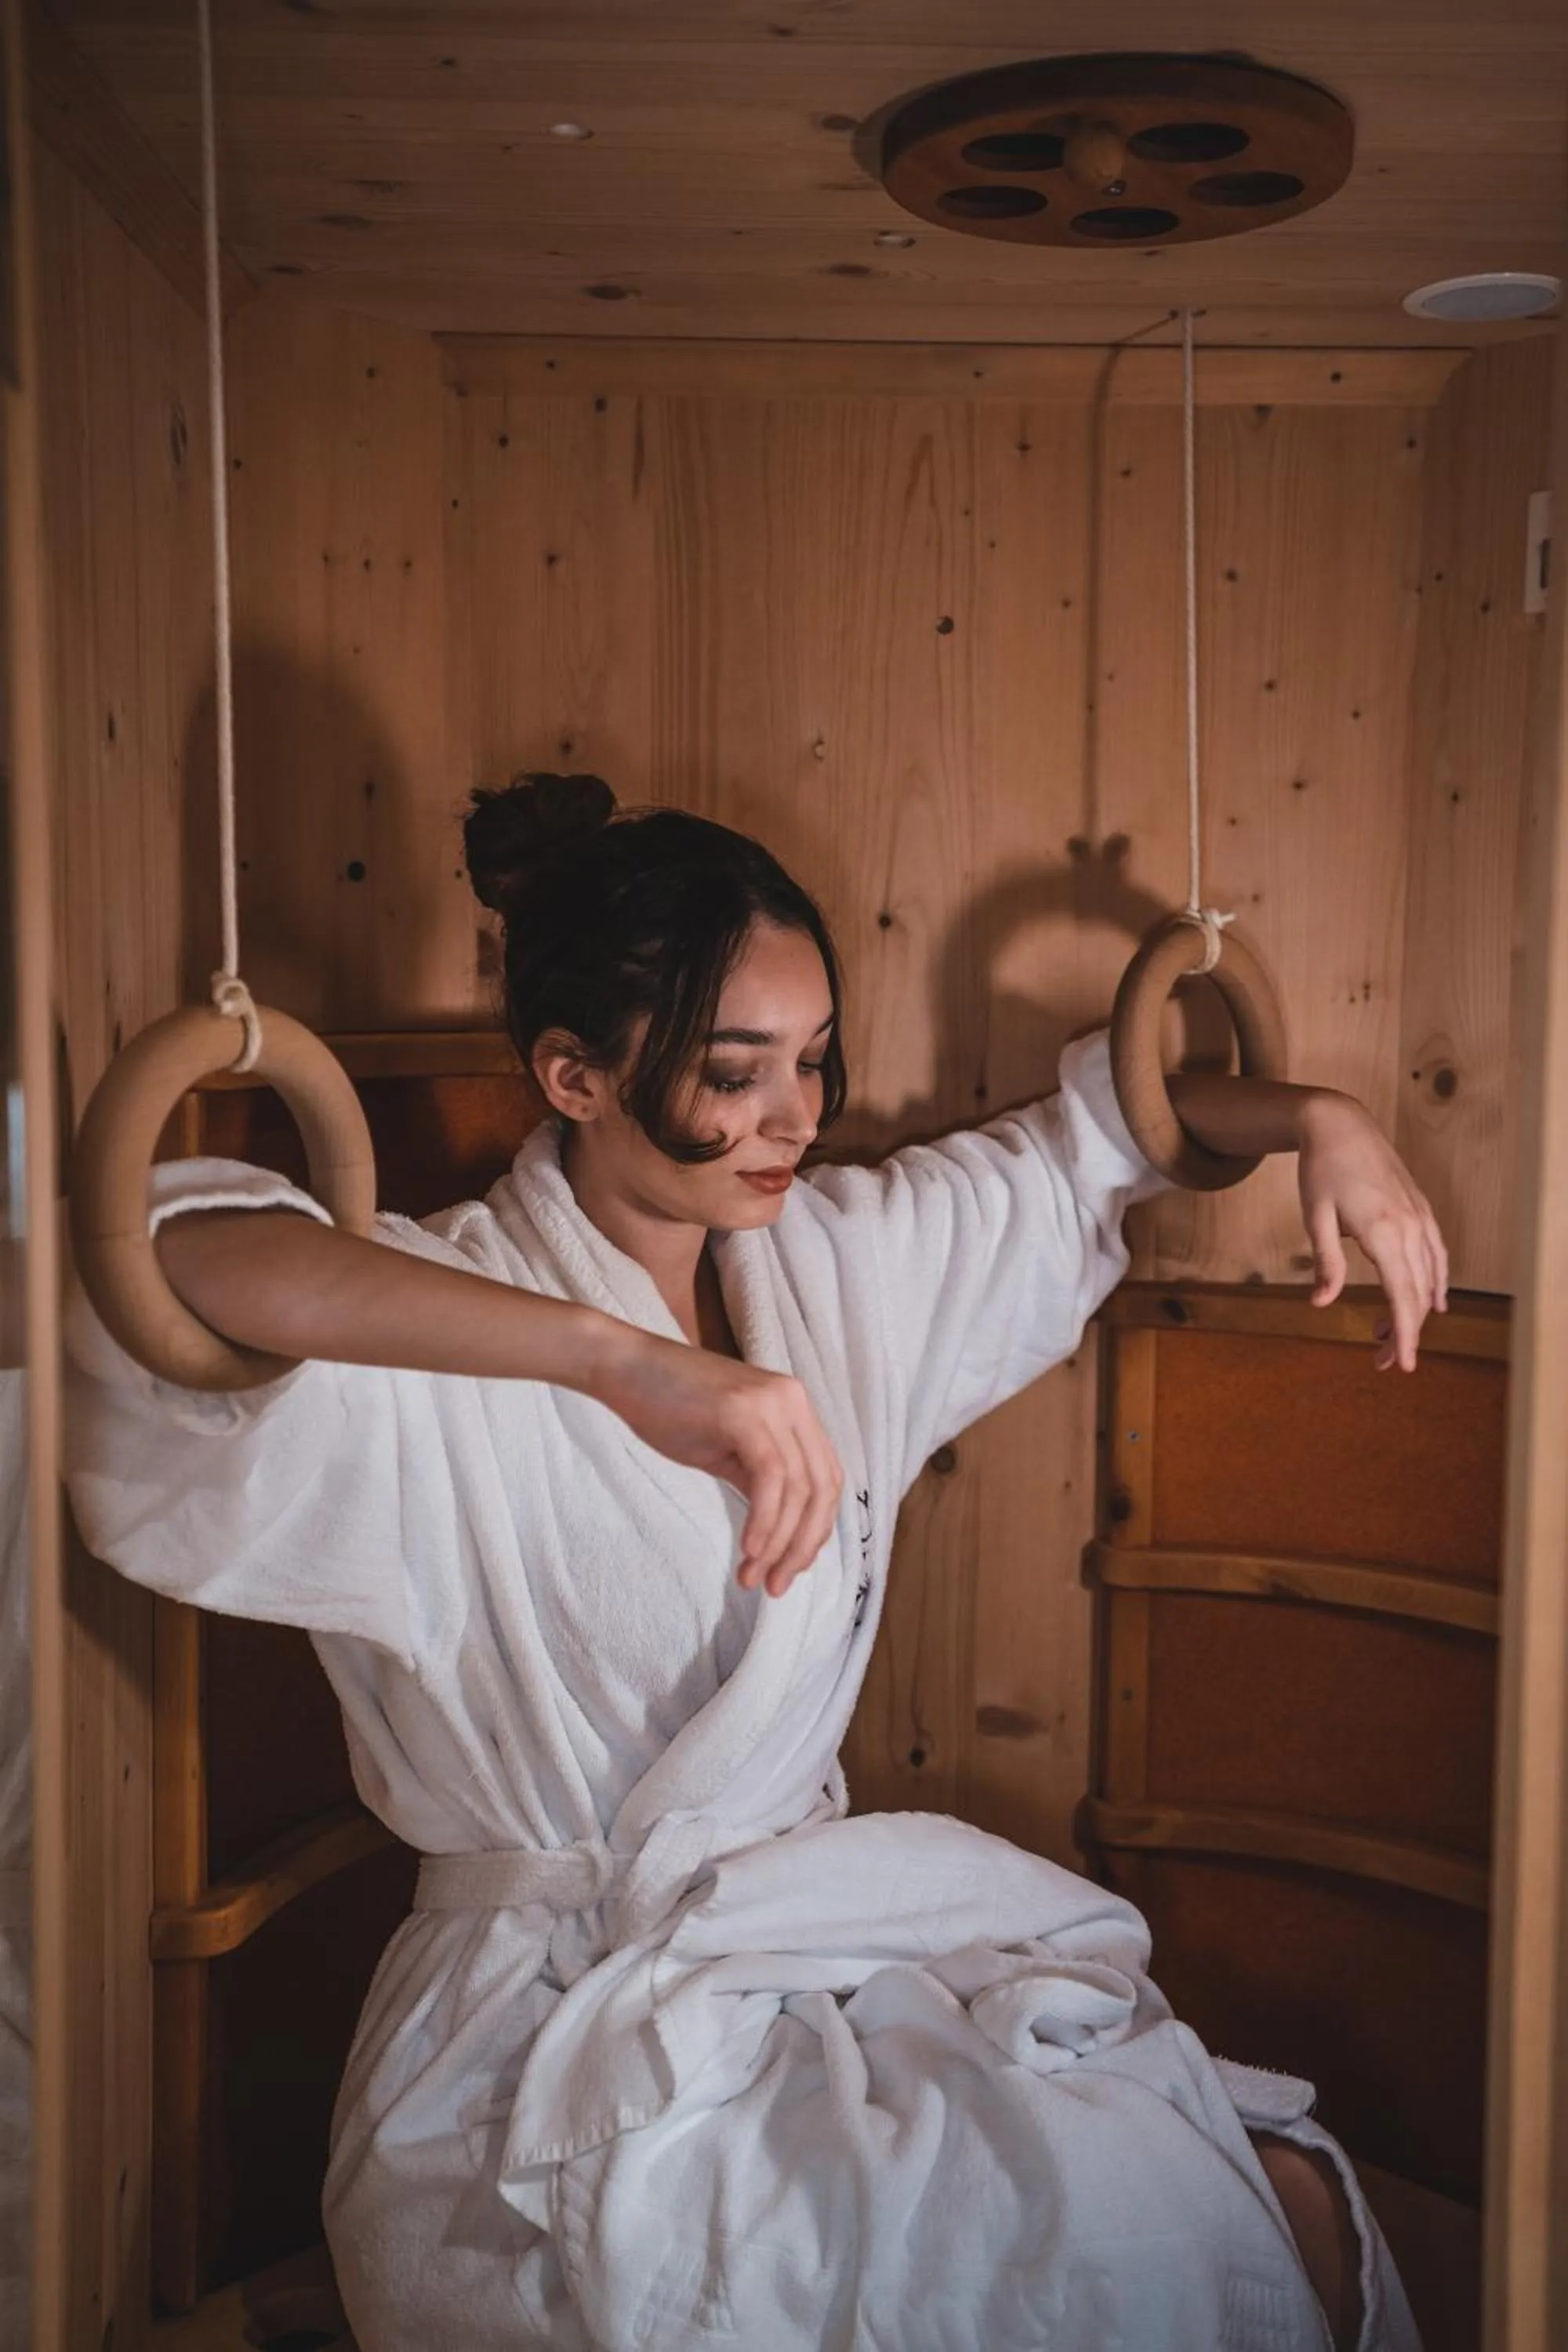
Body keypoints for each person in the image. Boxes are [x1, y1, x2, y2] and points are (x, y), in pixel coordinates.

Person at [67, 775, 1442, 2352]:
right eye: (736, 1073)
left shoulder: (822, 1267)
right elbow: (176, 1267)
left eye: (813, 1058)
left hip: (812, 1943)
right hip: (550, 2036)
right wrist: (612, 1363)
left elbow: (1100, 1142)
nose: (797, 1116)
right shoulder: (440, 1324)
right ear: (570, 1075)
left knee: (1276, 2202)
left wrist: (1322, 1123)